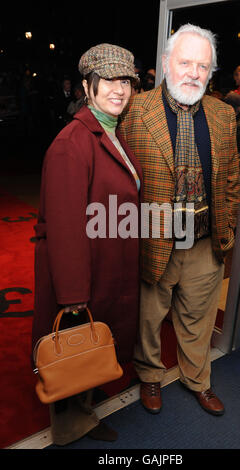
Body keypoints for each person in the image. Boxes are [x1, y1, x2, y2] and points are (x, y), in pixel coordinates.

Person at [119, 24, 240, 417]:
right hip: (155, 240)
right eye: (185, 62)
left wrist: (229, 227)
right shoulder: (135, 110)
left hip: (205, 242)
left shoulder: (223, 115)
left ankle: (197, 379)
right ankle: (150, 376)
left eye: (202, 66)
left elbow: (232, 179)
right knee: (149, 317)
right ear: (167, 63)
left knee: (198, 320)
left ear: (211, 72)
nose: (193, 72)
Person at [31, 43, 142, 446]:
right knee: (73, 349)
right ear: (86, 85)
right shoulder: (71, 143)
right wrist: (74, 295)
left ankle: (86, 400)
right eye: (109, 80)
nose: (119, 89)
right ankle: (71, 426)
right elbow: (65, 227)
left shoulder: (110, 132)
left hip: (105, 264)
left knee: (90, 348)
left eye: (126, 80)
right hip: (80, 272)